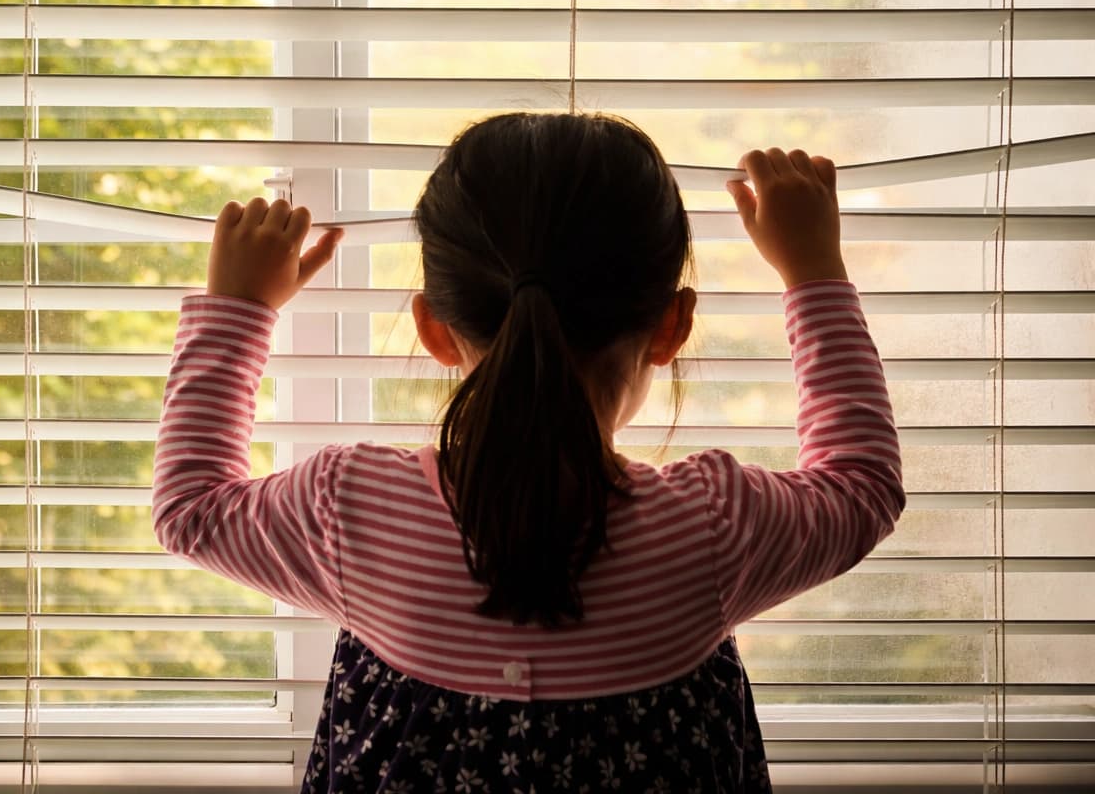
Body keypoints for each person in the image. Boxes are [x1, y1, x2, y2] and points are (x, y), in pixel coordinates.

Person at [153, 112, 904, 792]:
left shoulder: (353, 512)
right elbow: (862, 486)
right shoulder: (711, 530)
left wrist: (238, 308)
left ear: (433, 329)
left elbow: (190, 508)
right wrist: (812, 269)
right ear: (673, 326)